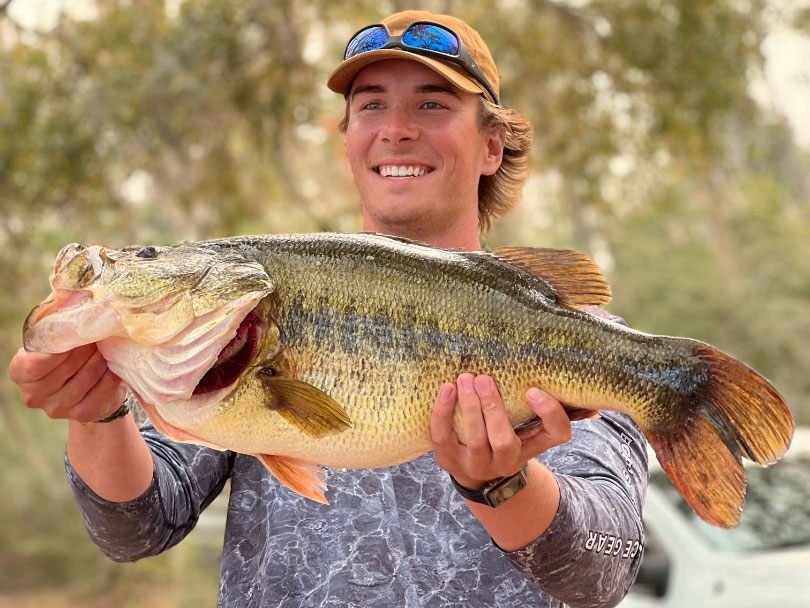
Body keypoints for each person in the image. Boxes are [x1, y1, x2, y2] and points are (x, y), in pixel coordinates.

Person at [9, 10, 647, 608]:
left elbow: (604, 566)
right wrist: (97, 413)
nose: (396, 128)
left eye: (432, 103)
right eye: (371, 105)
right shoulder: (233, 336)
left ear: (492, 147)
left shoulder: (576, 342)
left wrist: (502, 485)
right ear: (349, 142)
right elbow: (137, 529)